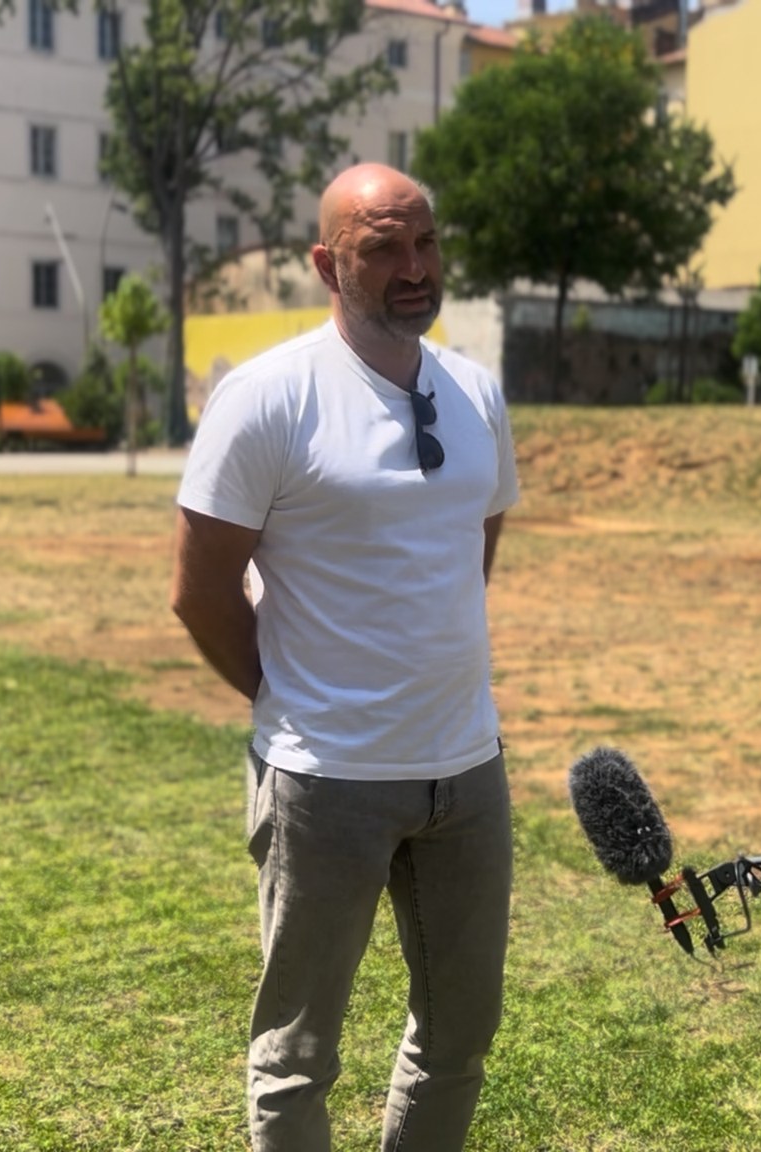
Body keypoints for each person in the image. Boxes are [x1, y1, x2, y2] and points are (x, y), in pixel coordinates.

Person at [170, 163, 518, 1152]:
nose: (415, 267)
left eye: (426, 242)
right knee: (297, 1055)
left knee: (459, 1035)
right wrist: (290, 694)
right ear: (328, 265)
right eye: (383, 248)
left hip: (466, 773)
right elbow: (199, 591)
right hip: (325, 778)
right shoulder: (266, 399)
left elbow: (471, 550)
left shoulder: (475, 393)